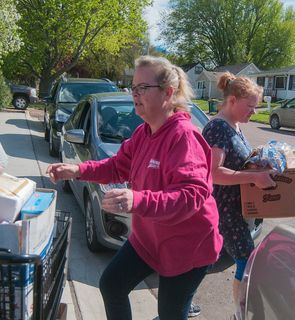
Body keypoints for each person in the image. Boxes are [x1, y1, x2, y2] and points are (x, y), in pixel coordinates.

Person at [47, 55, 223, 320]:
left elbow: (192, 196)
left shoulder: (184, 137)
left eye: (143, 88)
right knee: (112, 285)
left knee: (170, 314)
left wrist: (138, 200)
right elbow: (118, 166)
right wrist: (78, 170)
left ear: (167, 93)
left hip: (187, 246)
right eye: (133, 88)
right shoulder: (144, 133)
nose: (135, 94)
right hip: (149, 238)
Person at [202, 72, 276, 315]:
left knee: (205, 260)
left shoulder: (233, 126)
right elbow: (214, 173)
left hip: (237, 209)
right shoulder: (217, 128)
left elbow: (236, 163)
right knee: (247, 258)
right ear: (232, 100)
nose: (254, 112)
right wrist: (254, 176)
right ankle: (240, 312)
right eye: (250, 106)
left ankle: (177, 302)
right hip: (223, 210)